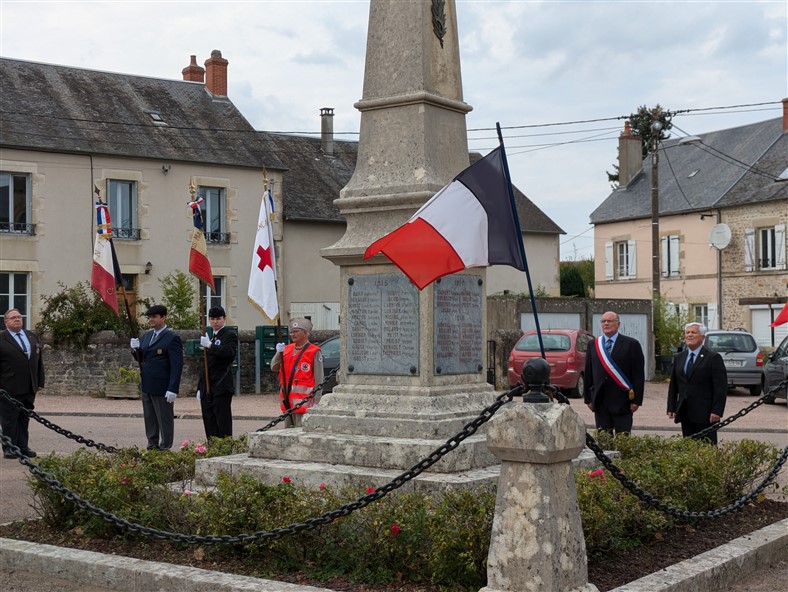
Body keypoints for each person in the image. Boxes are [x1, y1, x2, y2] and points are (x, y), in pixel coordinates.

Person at [130, 305, 183, 450]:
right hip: (147, 384)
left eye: (154, 317)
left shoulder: (172, 338)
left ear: (163, 317)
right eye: (149, 317)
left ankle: (165, 447)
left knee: (164, 419)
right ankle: (152, 446)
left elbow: (177, 365)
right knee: (150, 419)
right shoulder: (147, 336)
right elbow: (142, 358)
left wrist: (173, 388)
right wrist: (135, 350)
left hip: (162, 386)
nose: (151, 320)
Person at [584, 311, 645, 436]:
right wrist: (588, 399)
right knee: (604, 441)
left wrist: (637, 400)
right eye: (603, 321)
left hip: (623, 401)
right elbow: (588, 373)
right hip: (600, 401)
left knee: (623, 440)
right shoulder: (593, 344)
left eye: (610, 321)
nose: (606, 323)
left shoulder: (631, 344)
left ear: (618, 324)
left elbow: (638, 375)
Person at [667, 322, 727, 445]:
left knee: (707, 448)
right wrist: (671, 406)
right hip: (685, 411)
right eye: (687, 332)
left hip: (705, 413)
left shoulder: (713, 358)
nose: (689, 335)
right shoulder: (679, 357)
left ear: (702, 337)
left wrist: (717, 410)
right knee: (688, 447)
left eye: (693, 332)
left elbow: (720, 387)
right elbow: (674, 385)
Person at [0, 308, 45, 459]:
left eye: (19, 317)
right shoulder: (2, 339)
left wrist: (39, 382)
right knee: (9, 419)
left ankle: (23, 446)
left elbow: (39, 362)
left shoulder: (32, 337)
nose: (17, 319)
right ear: (6, 322)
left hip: (29, 386)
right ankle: (10, 447)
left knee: (24, 418)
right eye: (13, 318)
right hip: (8, 387)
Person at [271, 317, 323, 428]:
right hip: (286, 400)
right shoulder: (287, 349)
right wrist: (278, 353)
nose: (293, 334)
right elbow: (274, 367)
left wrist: (317, 400)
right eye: (291, 332)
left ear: (305, 333)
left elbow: (319, 378)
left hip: (303, 402)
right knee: (287, 430)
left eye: (296, 331)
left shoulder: (314, 351)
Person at [196, 306, 238, 439]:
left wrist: (210, 346)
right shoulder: (210, 336)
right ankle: (212, 447)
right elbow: (206, 365)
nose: (215, 322)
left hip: (221, 385)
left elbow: (229, 353)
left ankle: (224, 448)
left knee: (222, 421)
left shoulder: (229, 335)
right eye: (212, 319)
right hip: (208, 386)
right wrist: (200, 387)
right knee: (209, 421)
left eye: (218, 319)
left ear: (224, 319)